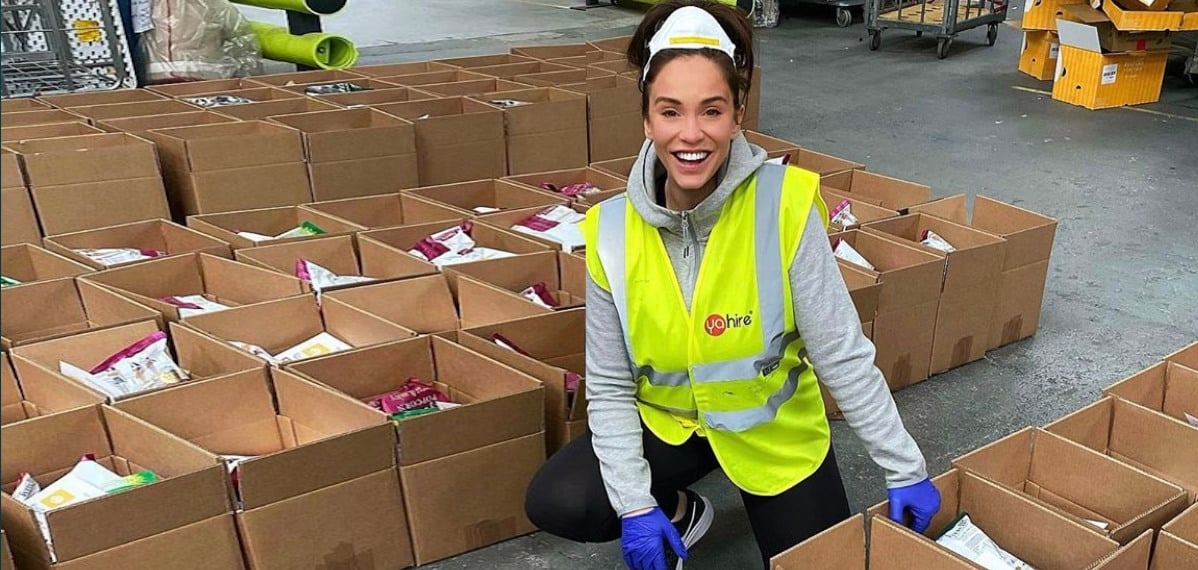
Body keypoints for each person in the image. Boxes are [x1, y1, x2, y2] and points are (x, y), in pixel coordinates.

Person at [524, 2, 941, 569]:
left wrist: (905, 466)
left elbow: (841, 353)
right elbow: (610, 385)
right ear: (647, 119)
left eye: (711, 111)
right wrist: (634, 507)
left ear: (738, 113)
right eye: (670, 112)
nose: (690, 134)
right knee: (563, 499)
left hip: (769, 432)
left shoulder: (785, 205)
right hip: (671, 427)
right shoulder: (611, 232)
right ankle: (680, 514)